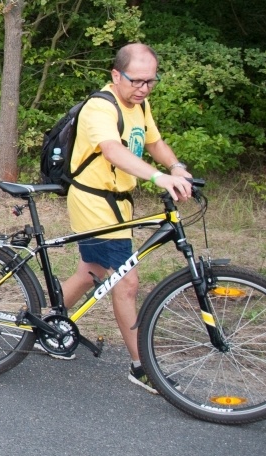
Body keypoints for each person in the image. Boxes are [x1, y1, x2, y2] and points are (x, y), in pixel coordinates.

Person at [47, 43, 192, 394]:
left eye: (150, 82)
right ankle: (142, 367)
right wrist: (158, 178)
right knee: (126, 283)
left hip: (117, 202)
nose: (143, 88)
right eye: (136, 81)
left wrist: (175, 167)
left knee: (92, 271)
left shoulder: (139, 105)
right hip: (94, 202)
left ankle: (45, 323)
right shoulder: (101, 106)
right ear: (116, 75)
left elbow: (154, 143)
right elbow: (113, 150)